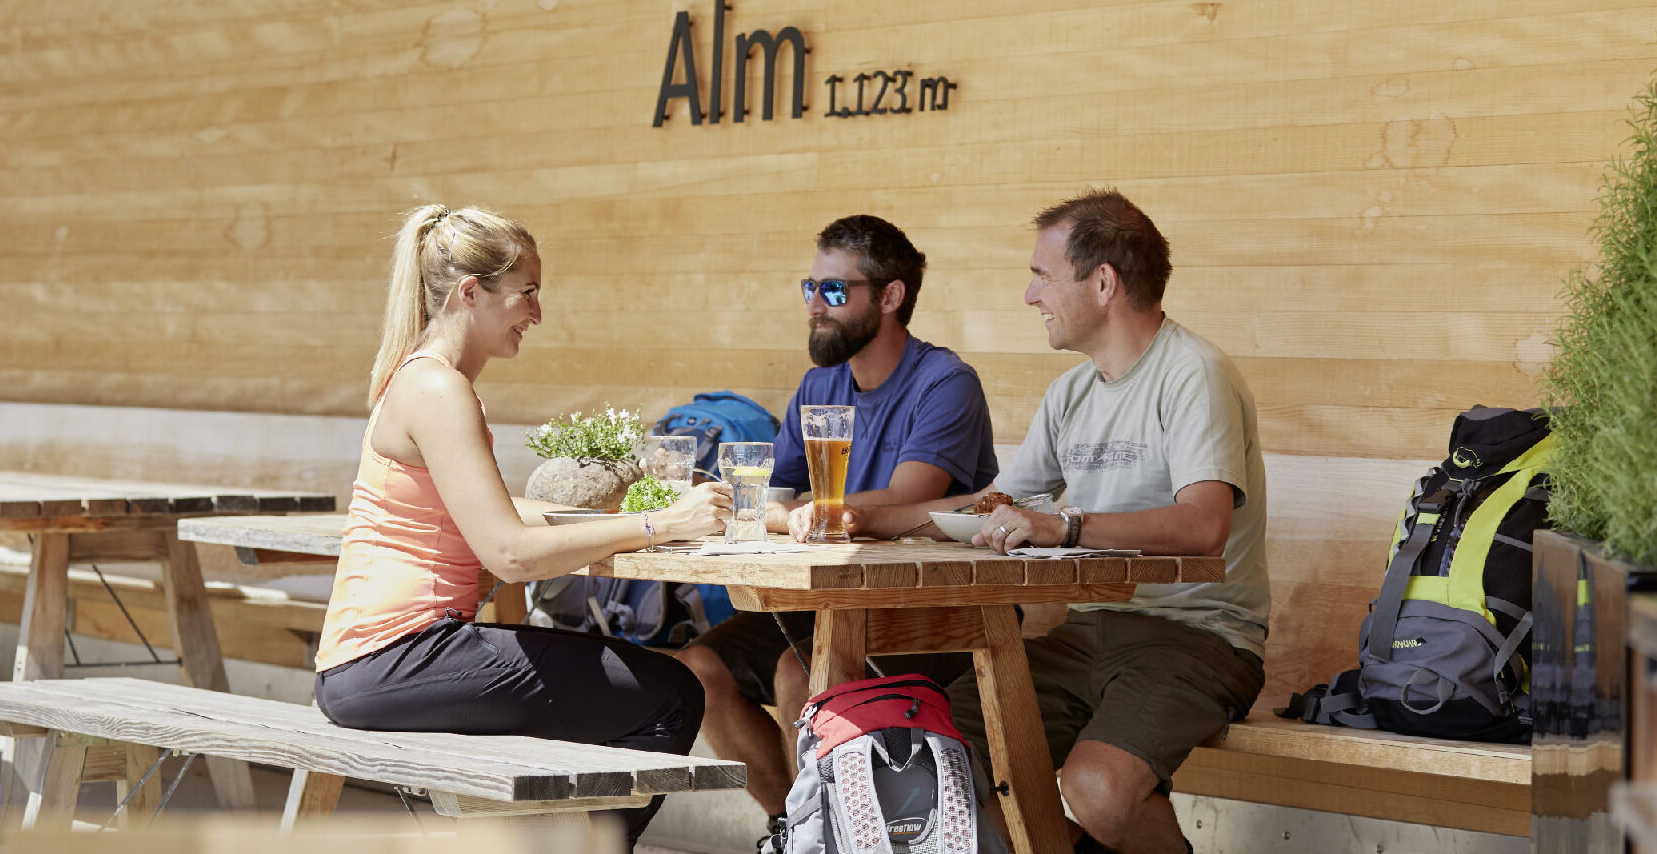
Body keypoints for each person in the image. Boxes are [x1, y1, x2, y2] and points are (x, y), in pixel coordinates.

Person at [802, 190, 1269, 854]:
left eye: (1042, 275)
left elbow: (1204, 527)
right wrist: (865, 520)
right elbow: (989, 507)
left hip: (1199, 635)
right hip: (1085, 632)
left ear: (1103, 281)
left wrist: (1064, 526)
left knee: (1098, 787)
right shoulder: (1072, 392)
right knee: (931, 755)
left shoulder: (1194, 373)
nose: (1029, 295)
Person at [314, 204, 731, 849]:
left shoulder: (425, 380)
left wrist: (625, 520)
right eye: (527, 293)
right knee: (671, 694)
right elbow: (511, 553)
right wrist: (652, 524)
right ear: (470, 293)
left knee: (648, 688)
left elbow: (500, 511)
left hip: (375, 664)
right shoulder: (437, 390)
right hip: (393, 661)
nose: (537, 313)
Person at [674, 214, 999, 839]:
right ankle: (793, 831)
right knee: (697, 669)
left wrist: (791, 512)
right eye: (809, 288)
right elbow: (772, 491)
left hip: (938, 603)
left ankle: (829, 838)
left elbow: (909, 499)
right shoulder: (820, 383)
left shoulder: (944, 382)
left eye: (833, 291)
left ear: (890, 295)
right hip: (831, 600)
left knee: (804, 673)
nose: (814, 308)